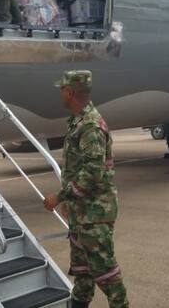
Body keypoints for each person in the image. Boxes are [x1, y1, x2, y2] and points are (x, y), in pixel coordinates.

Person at [43, 70, 129, 308]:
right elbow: (77, 169)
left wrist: (58, 197)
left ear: (70, 92)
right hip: (82, 211)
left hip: (95, 213)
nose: (60, 93)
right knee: (82, 271)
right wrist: (70, 204)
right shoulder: (77, 121)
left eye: (62, 89)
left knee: (105, 272)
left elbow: (92, 173)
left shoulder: (90, 126)